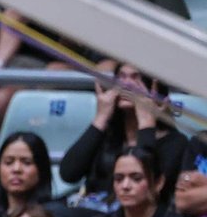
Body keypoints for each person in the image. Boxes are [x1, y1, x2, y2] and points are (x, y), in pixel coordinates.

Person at [59, 63, 185, 208]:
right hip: (95, 215)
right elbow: (68, 174)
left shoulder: (175, 142)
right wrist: (101, 117)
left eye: (135, 78)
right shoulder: (108, 134)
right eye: (121, 77)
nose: (126, 84)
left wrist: (146, 120)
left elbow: (147, 188)